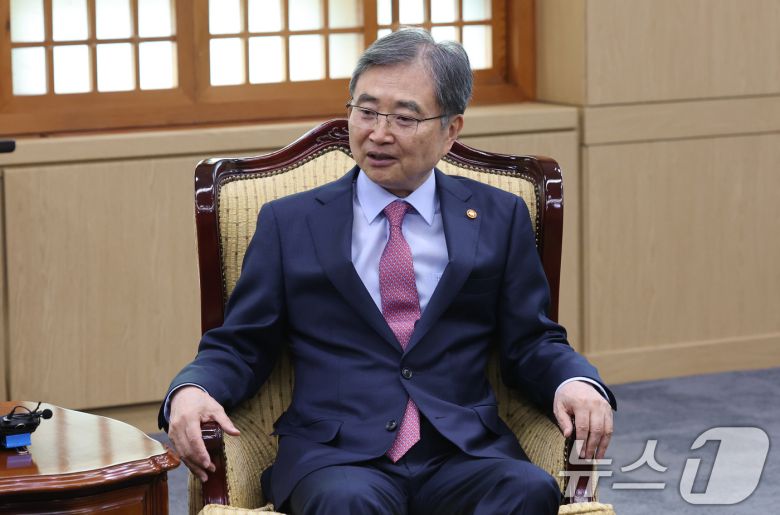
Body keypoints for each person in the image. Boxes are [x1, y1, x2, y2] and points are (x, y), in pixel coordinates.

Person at [160, 28, 616, 515]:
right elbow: (241, 344)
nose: (378, 133)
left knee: (527, 490)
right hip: (338, 457)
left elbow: (532, 340)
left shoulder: (498, 217)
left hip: (462, 451)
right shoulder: (290, 222)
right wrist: (192, 389)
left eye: (404, 117)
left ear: (451, 130)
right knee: (346, 501)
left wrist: (575, 382)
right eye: (366, 110)